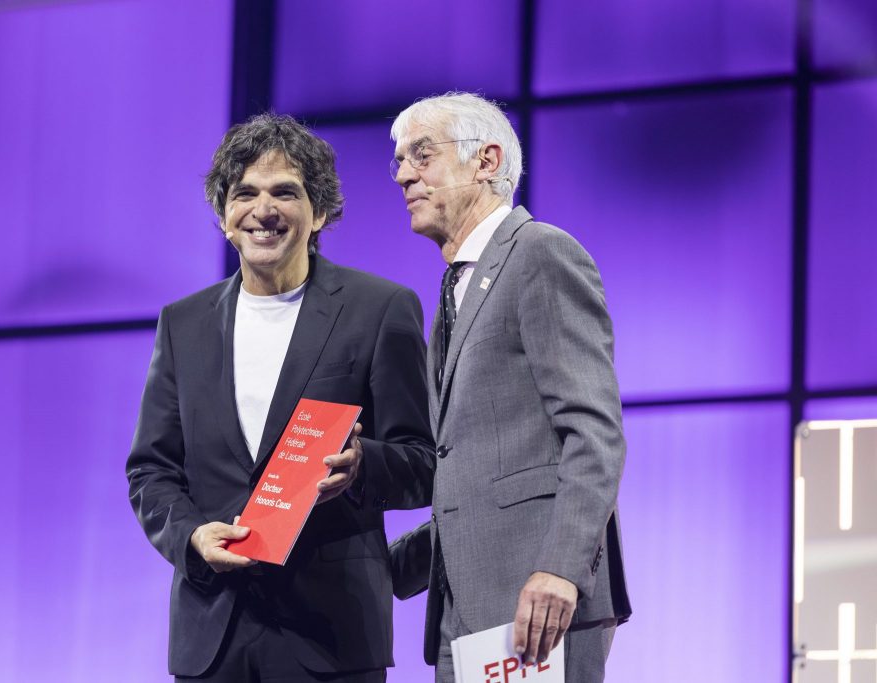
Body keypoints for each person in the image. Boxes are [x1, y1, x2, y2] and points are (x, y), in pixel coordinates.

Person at [127, 113, 435, 682]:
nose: (262, 210)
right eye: (245, 193)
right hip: (212, 637)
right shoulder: (182, 324)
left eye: (284, 193)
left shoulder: (380, 309)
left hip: (330, 635)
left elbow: (423, 460)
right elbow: (150, 471)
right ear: (225, 217)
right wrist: (192, 536)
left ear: (319, 213)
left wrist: (364, 466)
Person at [388, 93, 632, 683]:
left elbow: (593, 432)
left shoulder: (541, 254)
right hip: (466, 610)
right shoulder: (455, 292)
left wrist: (561, 569)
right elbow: (471, 470)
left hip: (537, 604)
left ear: (486, 160)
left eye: (422, 155)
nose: (402, 175)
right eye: (398, 161)